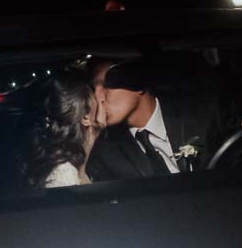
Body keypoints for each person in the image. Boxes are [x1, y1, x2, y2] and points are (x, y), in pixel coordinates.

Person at [85, 57, 234, 180]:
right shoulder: (105, 153)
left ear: (138, 83)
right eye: (93, 89)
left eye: (107, 84)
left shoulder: (206, 114)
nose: (99, 98)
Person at [20, 68, 104, 188]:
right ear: (85, 115)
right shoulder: (64, 175)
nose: (102, 99)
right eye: (94, 94)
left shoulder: (69, 165)